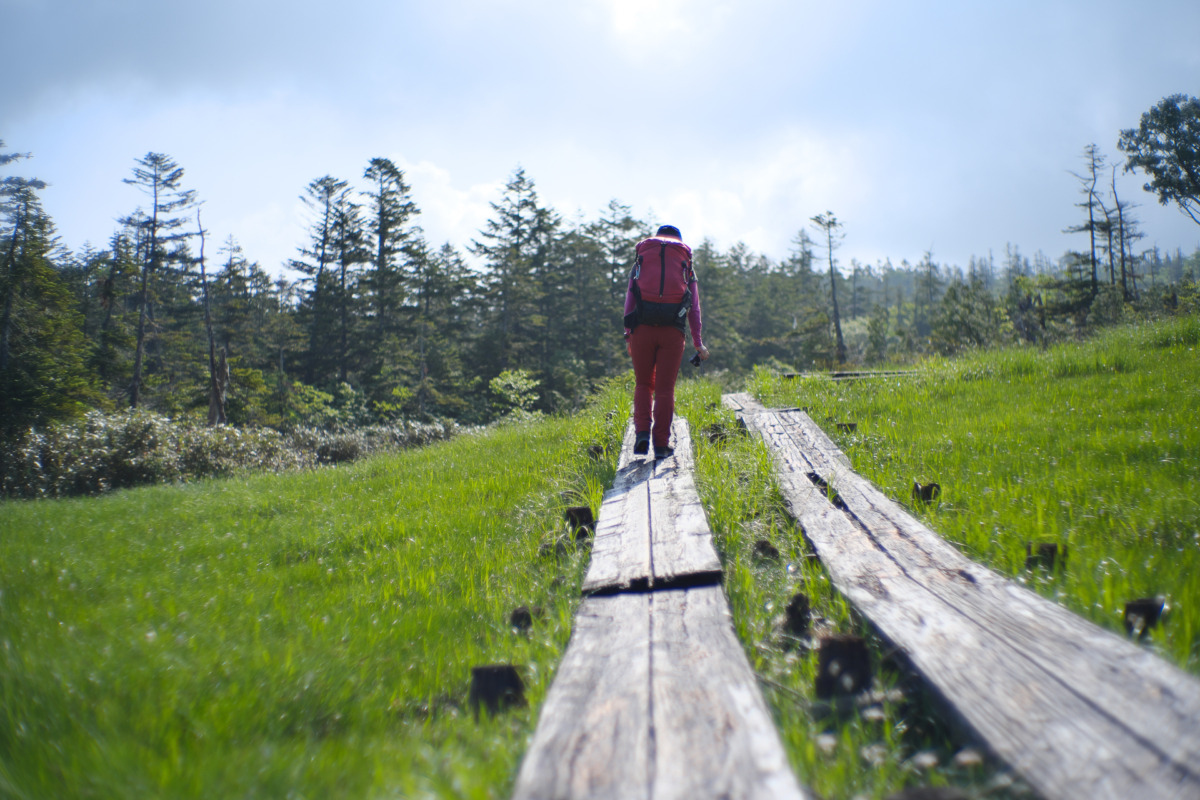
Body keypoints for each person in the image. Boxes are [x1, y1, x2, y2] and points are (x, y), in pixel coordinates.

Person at [623, 224, 710, 459]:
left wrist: (628, 332)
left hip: (642, 329)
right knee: (664, 389)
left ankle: (642, 434)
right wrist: (698, 342)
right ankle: (661, 444)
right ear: (679, 242)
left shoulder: (641, 260)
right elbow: (694, 307)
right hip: (673, 331)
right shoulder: (686, 263)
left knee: (643, 384)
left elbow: (630, 297)